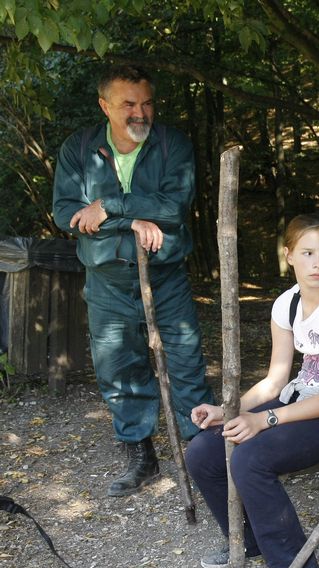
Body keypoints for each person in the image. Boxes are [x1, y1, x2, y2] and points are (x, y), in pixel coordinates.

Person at [185, 215, 319, 568]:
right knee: (203, 451)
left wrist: (264, 419)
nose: (318, 263)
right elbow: (274, 381)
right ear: (289, 256)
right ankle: (248, 540)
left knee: (250, 458)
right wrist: (227, 410)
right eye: (307, 253)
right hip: (301, 400)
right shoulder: (286, 305)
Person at [52, 65, 214, 497]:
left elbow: (174, 207)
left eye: (146, 103)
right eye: (128, 104)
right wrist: (134, 220)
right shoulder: (79, 148)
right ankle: (142, 456)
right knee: (118, 367)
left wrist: (109, 206)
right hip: (106, 280)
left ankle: (204, 454)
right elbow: (66, 212)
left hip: (165, 276)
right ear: (104, 106)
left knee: (185, 364)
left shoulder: (172, 144)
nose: (140, 113)